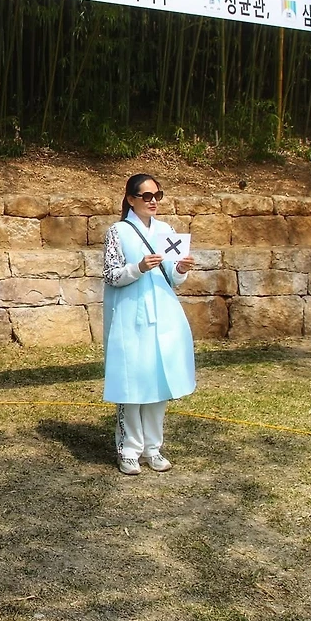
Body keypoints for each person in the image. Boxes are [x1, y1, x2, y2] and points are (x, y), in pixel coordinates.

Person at [101, 174, 197, 476]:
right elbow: (111, 274)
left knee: (158, 380)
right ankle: (129, 450)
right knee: (132, 382)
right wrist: (138, 267)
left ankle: (153, 448)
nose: (153, 201)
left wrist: (181, 268)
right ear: (131, 199)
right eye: (146, 196)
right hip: (131, 314)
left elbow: (173, 277)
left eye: (157, 195)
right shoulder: (118, 231)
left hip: (163, 314)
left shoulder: (165, 230)